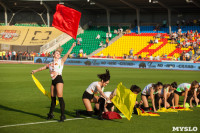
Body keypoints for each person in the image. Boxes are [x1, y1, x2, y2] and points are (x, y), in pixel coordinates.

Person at [31, 42, 76, 122]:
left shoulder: (61, 61)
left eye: (59, 53)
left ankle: (62, 115)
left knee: (60, 97)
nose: (58, 54)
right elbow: (42, 68)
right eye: (57, 53)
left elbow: (67, 54)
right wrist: (35, 70)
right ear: (53, 55)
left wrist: (72, 46)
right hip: (53, 81)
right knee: (53, 99)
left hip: (59, 79)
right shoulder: (50, 64)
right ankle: (51, 114)